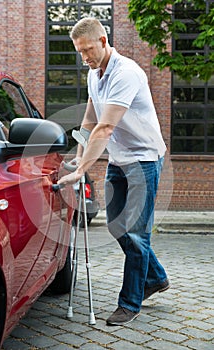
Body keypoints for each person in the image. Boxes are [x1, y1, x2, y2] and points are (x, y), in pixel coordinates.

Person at [57, 17, 170, 326]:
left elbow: (106, 128)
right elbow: (90, 121)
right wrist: (77, 155)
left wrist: (82, 170)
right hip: (120, 161)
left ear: (103, 42)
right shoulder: (96, 74)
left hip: (144, 161)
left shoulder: (126, 73)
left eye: (88, 49)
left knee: (135, 232)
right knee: (116, 227)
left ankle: (130, 303)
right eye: (79, 52)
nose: (84, 58)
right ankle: (156, 276)